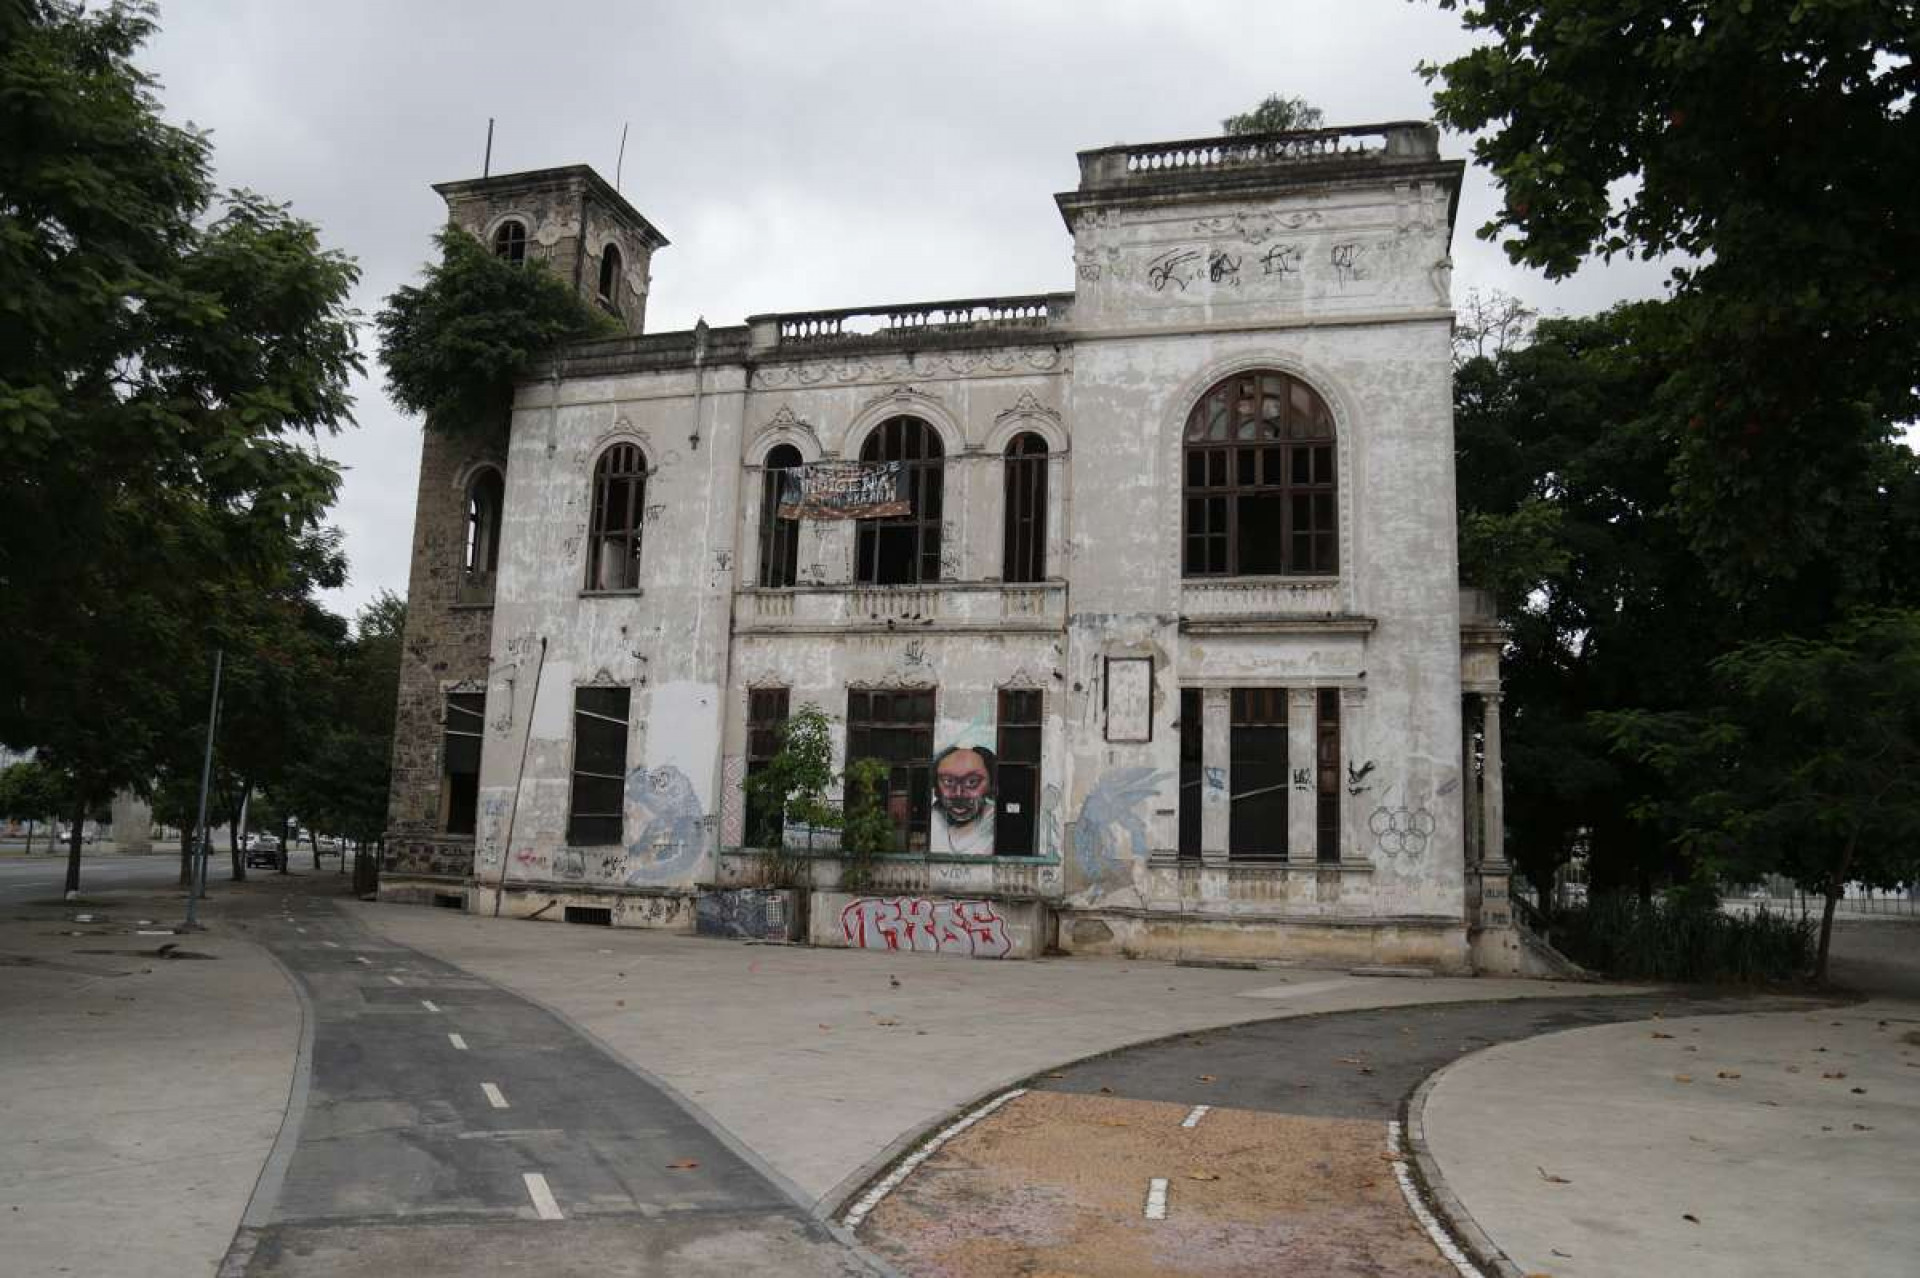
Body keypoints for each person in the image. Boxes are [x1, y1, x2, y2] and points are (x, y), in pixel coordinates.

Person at [931, 745, 996, 855]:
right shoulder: (933, 818)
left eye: (972, 782)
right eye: (948, 782)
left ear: (990, 784)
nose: (958, 793)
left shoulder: (996, 822)